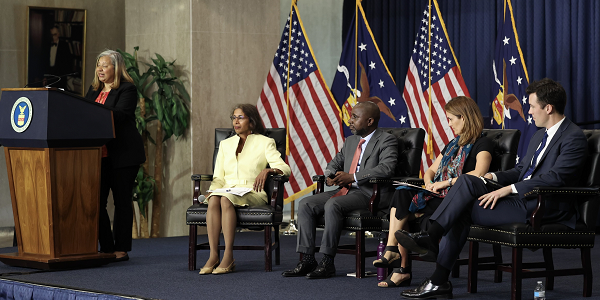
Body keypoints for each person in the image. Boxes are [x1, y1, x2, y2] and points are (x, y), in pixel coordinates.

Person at [396, 78, 588, 299]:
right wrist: (493, 176)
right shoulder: (539, 135)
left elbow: (557, 178)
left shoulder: (573, 137)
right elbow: (521, 170)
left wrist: (508, 189)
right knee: (467, 182)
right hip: (522, 199)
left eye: (532, 106)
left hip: (544, 205)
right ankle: (435, 259)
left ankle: (436, 266)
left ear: (548, 107)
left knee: (462, 210)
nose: (529, 111)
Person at [373, 96, 493, 288]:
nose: (449, 124)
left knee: (404, 210)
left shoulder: (483, 144)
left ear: (463, 118)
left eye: (451, 119)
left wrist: (445, 183)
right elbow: (430, 171)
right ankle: (391, 249)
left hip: (457, 200)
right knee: (402, 193)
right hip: (437, 195)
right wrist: (429, 183)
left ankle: (400, 268)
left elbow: (479, 173)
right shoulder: (452, 145)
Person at [282, 101, 398, 279]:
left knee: (333, 204)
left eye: (354, 117)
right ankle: (307, 259)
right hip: (347, 190)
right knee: (306, 204)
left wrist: (353, 177)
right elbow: (335, 163)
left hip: (369, 194)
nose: (349, 121)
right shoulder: (351, 141)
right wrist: (330, 175)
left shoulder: (386, 139)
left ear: (369, 121)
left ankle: (327, 262)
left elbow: (386, 168)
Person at [200, 104, 291, 275]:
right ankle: (213, 255)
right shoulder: (225, 144)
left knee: (225, 199)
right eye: (234, 117)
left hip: (252, 191)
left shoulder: (265, 142)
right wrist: (213, 190)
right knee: (214, 199)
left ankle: (228, 256)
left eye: (240, 117)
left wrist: (268, 170)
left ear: (252, 121)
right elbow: (219, 177)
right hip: (227, 189)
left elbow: (285, 169)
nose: (236, 121)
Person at [85, 50, 146, 262]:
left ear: (116, 68)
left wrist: (92, 112)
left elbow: (121, 115)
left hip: (123, 155)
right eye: (98, 66)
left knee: (121, 202)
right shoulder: (93, 91)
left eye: (105, 65)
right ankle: (106, 247)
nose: (100, 69)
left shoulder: (127, 89)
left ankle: (121, 248)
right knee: (97, 203)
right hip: (97, 155)